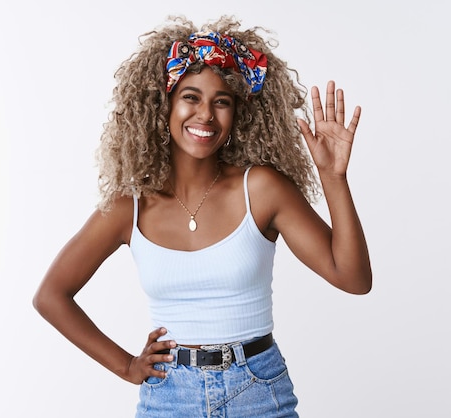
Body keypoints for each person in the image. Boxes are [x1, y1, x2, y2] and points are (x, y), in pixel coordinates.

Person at [33, 15, 372, 417]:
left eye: (221, 101)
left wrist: (333, 178)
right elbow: (51, 296)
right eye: (191, 97)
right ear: (165, 104)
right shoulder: (131, 206)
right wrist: (126, 365)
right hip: (169, 398)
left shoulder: (261, 189)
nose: (206, 114)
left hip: (258, 392)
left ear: (238, 113)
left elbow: (353, 279)